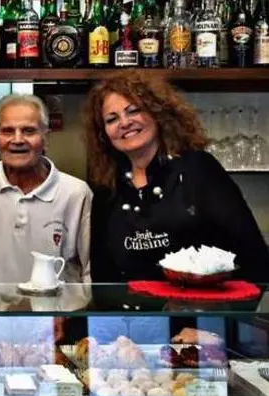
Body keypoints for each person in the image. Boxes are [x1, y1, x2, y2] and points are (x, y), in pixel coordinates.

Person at [84, 69, 269, 283]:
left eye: (134, 110)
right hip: (131, 314)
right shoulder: (107, 188)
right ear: (103, 133)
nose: (124, 123)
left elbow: (251, 253)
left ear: (157, 113)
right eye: (111, 119)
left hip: (201, 311)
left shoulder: (199, 169)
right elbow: (102, 273)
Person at [0, 94, 92, 285]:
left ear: (46, 136)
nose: (17, 139)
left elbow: (88, 273)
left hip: (57, 313)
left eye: (29, 131)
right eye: (7, 131)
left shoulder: (76, 193)